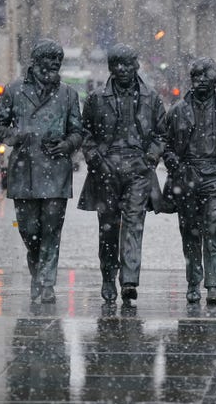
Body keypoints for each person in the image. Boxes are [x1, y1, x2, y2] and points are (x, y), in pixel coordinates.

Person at [0, 38, 82, 304]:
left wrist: (66, 144)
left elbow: (78, 132)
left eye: (58, 61)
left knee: (52, 231)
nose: (54, 65)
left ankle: (46, 283)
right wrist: (16, 136)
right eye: (50, 59)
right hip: (24, 170)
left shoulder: (68, 94)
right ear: (36, 61)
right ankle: (38, 272)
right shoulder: (15, 90)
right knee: (30, 231)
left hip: (56, 171)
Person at [78, 43, 166, 306]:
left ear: (136, 65)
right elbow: (85, 134)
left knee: (133, 224)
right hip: (106, 171)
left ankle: (129, 280)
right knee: (108, 228)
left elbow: (162, 134)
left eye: (128, 64)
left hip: (138, 170)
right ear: (111, 68)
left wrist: (149, 158)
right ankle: (108, 276)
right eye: (118, 64)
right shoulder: (96, 99)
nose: (124, 69)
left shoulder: (151, 98)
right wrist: (96, 160)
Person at [162, 57, 216, 305]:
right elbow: (165, 145)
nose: (198, 82)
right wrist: (176, 164)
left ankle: (213, 285)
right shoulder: (177, 111)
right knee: (190, 234)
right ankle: (193, 282)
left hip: (215, 180)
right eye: (195, 77)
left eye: (203, 78)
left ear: (215, 81)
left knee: (213, 233)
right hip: (188, 178)